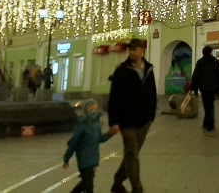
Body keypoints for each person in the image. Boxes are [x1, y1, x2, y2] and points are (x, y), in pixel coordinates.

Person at [108, 38, 156, 193]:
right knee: (132, 155)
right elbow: (114, 97)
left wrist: (151, 115)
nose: (131, 52)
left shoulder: (149, 68)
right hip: (126, 121)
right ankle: (137, 188)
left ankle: (117, 181)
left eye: (134, 49)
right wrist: (113, 122)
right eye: (130, 49)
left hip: (144, 121)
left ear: (142, 50)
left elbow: (152, 92)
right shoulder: (121, 70)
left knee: (131, 154)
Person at [63, 99, 115, 193]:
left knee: (85, 184)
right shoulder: (82, 125)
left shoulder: (97, 124)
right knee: (89, 186)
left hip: (93, 159)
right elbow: (73, 143)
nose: (93, 111)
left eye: (95, 109)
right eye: (91, 109)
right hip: (84, 160)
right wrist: (66, 158)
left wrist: (110, 134)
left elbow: (99, 139)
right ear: (86, 110)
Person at [191, 45, 219, 136]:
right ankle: (206, 124)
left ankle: (210, 127)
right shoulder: (216, 61)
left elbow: (195, 76)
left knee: (207, 107)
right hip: (213, 88)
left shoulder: (200, 62)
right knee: (210, 106)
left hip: (204, 88)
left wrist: (194, 89)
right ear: (211, 52)